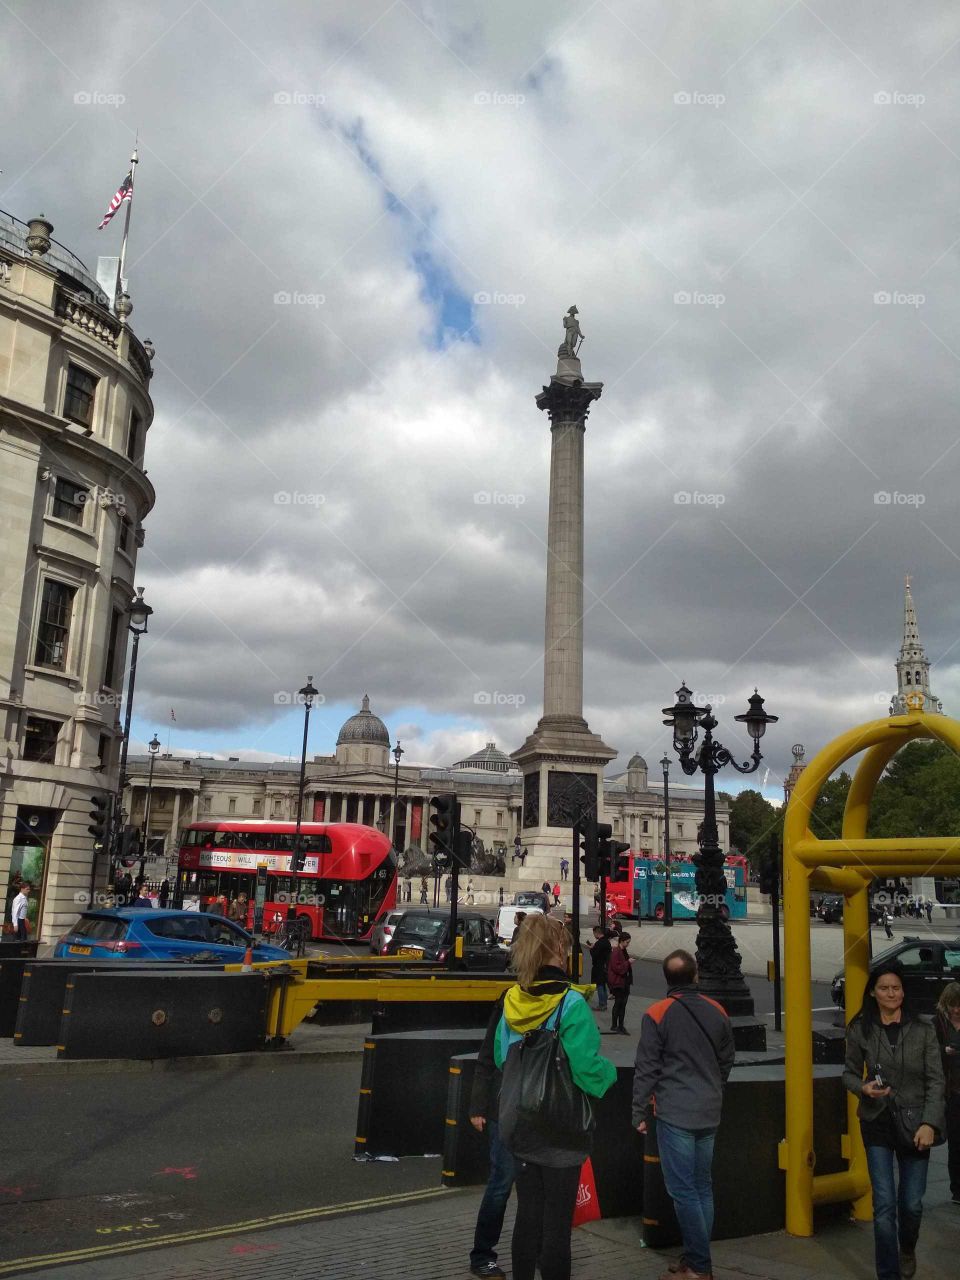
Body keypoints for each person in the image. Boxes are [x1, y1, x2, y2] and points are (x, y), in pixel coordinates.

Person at [495, 913, 616, 1280]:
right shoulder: (570, 1004)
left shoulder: (512, 1000)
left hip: (521, 1124)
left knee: (527, 1216)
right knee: (556, 1225)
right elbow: (587, 1071)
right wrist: (609, 1075)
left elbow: (503, 1058)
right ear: (558, 950)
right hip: (561, 1130)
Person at [632, 949, 735, 1280]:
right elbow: (726, 1059)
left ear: (667, 980)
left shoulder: (657, 1013)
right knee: (702, 1186)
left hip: (675, 1111)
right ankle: (695, 1257)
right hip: (709, 1109)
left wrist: (638, 1111)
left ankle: (699, 1268)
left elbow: (647, 1068)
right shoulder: (718, 1010)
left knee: (682, 1190)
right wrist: (713, 1088)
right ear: (695, 977)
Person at [843, 962, 945, 1280]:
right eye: (885, 988)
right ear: (873, 992)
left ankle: (907, 1249)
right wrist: (862, 1087)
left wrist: (930, 1123)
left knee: (912, 1204)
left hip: (916, 1124)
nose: (892, 993)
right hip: (876, 1122)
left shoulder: (923, 1029)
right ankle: (888, 1274)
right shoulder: (860, 1027)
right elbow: (847, 1073)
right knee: (884, 1204)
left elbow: (936, 1080)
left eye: (897, 988)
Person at [468, 990, 515, 1279]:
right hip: (503, 1105)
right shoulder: (508, 999)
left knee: (536, 1189)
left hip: (540, 1111)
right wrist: (477, 1105)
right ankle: (482, 1255)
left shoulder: (562, 998)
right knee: (501, 1183)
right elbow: (487, 1054)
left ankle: (534, 1250)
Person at [934, 981, 960, 1205]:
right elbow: (931, 1051)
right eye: (953, 1006)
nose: (957, 1010)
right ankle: (957, 1189)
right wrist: (945, 1050)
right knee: (956, 1141)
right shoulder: (938, 1024)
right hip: (951, 1091)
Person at [606, 931, 633, 1035]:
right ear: (621, 941)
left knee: (623, 1004)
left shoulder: (623, 951)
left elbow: (623, 966)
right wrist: (628, 962)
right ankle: (614, 1025)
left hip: (624, 981)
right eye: (627, 942)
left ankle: (620, 1025)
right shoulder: (616, 952)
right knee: (618, 1003)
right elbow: (617, 968)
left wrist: (628, 963)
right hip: (618, 982)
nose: (628, 944)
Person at [585, 925, 611, 1013]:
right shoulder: (606, 942)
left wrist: (591, 949)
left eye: (594, 933)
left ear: (597, 933)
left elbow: (595, 955)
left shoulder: (599, 943)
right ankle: (604, 1003)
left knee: (600, 985)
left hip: (599, 967)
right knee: (603, 985)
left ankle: (602, 1004)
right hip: (605, 966)